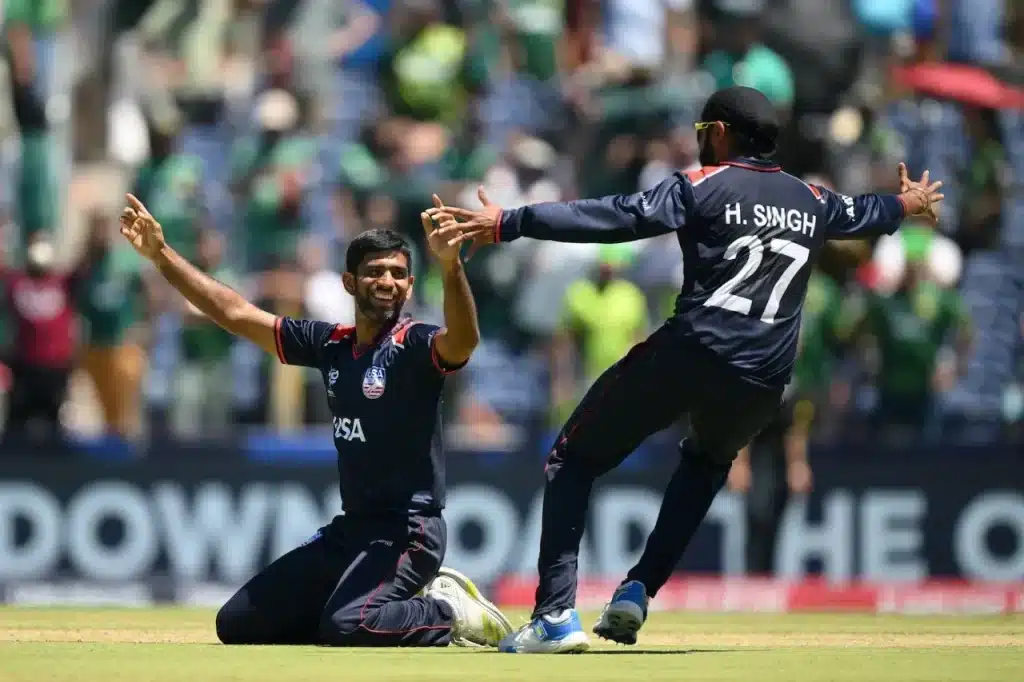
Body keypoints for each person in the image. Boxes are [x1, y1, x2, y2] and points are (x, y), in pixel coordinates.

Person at [429, 86, 944, 653]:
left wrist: (510, 221)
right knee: (705, 465)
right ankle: (639, 589)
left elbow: (619, 217)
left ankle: (554, 615)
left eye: (702, 132)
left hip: (695, 351)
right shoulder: (811, 198)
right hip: (764, 377)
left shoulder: (702, 184)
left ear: (719, 132)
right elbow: (866, 213)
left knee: (572, 460)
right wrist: (909, 204)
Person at [117, 193, 513, 647]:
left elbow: (463, 342)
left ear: (408, 286)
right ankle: (355, 616)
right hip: (352, 530)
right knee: (238, 624)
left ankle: (447, 612)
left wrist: (450, 265)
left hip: (409, 533)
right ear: (349, 282)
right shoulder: (331, 345)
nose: (387, 281)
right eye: (375, 271)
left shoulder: (415, 345)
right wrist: (161, 256)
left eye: (397, 273)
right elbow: (234, 312)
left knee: (349, 625)